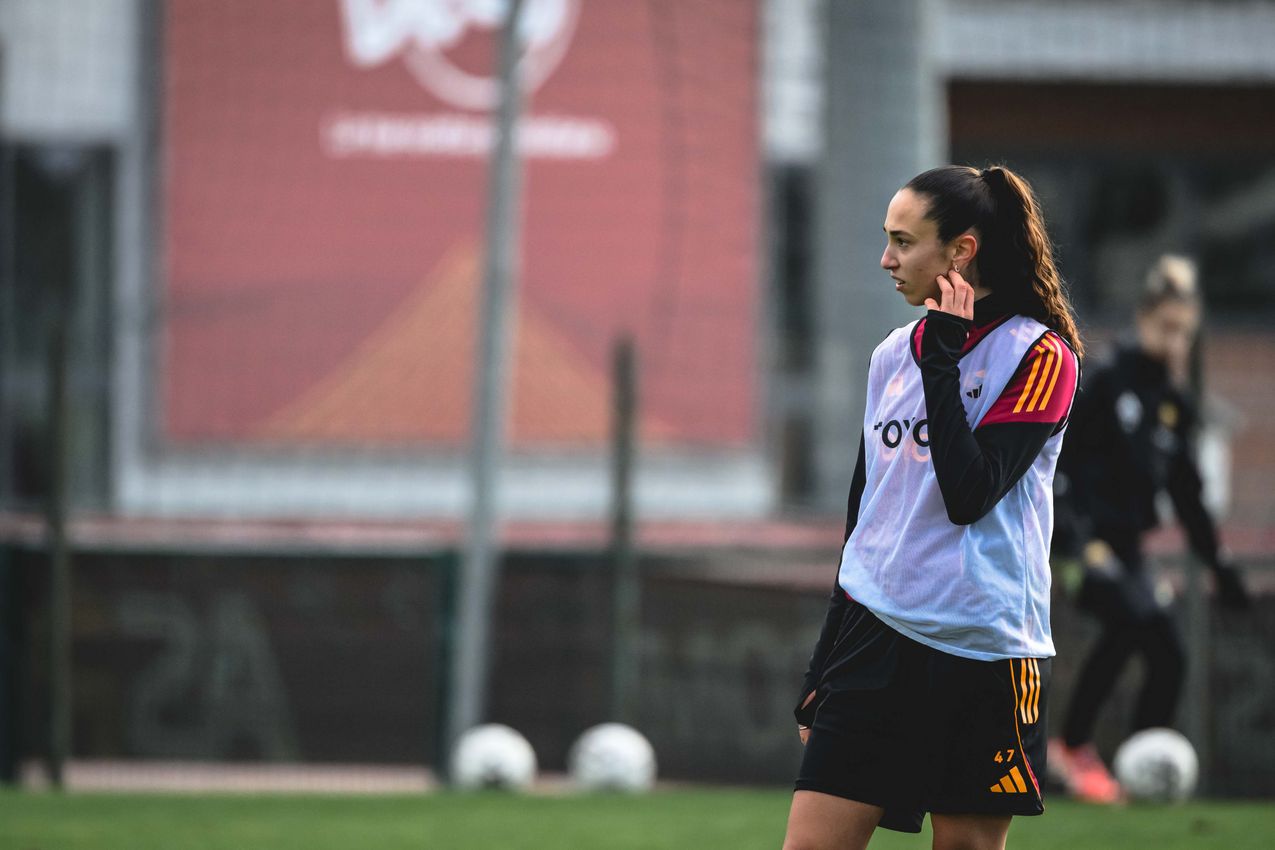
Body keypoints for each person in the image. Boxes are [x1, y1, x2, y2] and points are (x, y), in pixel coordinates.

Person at [782, 164, 1082, 850]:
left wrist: (943, 361)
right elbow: (865, 520)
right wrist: (822, 663)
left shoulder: (1042, 359)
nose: (886, 260)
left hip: (985, 650)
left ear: (960, 251)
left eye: (902, 241)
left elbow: (968, 496)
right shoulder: (891, 355)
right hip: (873, 638)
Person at [1047, 255, 1250, 804]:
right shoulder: (1107, 381)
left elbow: (1187, 494)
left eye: (1184, 332)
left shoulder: (1174, 405)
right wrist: (1071, 532)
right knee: (1131, 618)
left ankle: (1141, 763)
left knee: (1168, 650)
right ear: (1143, 320)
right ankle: (1072, 745)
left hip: (1129, 546)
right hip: (1079, 540)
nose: (1175, 341)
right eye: (1167, 328)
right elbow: (1057, 458)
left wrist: (1219, 563)